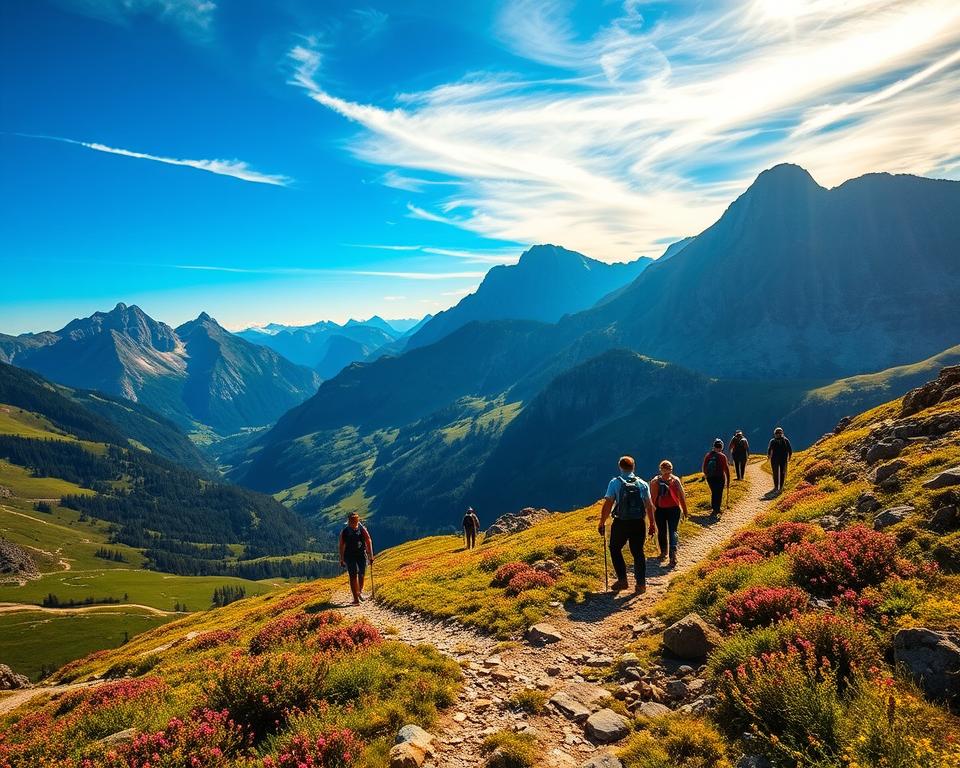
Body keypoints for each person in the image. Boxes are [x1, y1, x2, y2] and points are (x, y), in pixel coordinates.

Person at [597, 455, 655, 594]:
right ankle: (641, 584)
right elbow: (649, 505)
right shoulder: (642, 483)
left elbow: (608, 503)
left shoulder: (615, 483)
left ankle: (622, 580)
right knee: (638, 552)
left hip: (621, 523)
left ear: (620, 467)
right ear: (633, 467)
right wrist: (652, 523)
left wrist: (602, 521)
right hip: (638, 523)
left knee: (615, 548)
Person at [650, 460, 688, 567]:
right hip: (674, 510)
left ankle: (663, 552)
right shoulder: (675, 480)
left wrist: (651, 515)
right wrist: (685, 511)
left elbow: (652, 499)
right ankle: (673, 555)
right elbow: (682, 496)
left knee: (662, 531)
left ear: (660, 469)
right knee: (673, 531)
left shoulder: (655, 482)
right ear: (671, 469)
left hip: (660, 510)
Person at [339, 513, 374, 605]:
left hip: (361, 554)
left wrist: (371, 555)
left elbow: (368, 540)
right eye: (352, 521)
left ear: (358, 521)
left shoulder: (362, 530)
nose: (354, 523)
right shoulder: (345, 531)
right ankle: (355, 599)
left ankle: (359, 592)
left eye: (355, 521)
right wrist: (342, 558)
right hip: (349, 555)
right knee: (353, 575)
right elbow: (341, 545)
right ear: (349, 521)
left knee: (361, 573)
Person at [703, 439, 731, 517]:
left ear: (713, 447)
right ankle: (717, 509)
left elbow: (704, 467)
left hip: (710, 478)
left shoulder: (708, 455)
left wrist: (707, 475)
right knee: (719, 493)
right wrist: (728, 480)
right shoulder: (722, 456)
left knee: (714, 492)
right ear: (722, 447)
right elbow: (726, 469)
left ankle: (714, 508)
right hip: (720, 477)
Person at [767, 427, 794, 493]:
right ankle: (778, 487)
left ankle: (779, 487)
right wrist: (789, 456)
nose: (778, 434)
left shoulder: (774, 441)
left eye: (779, 433)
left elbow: (769, 450)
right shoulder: (784, 440)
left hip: (778, 460)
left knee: (779, 473)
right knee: (779, 473)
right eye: (777, 433)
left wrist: (769, 456)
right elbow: (790, 450)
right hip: (781, 459)